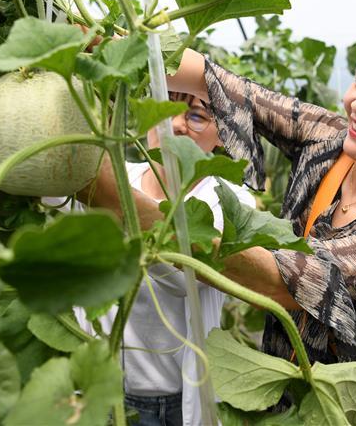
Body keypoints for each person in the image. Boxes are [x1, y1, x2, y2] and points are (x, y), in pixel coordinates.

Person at [83, 18, 356, 420]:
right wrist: (104, 42)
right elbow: (223, 83)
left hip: (348, 414)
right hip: (280, 401)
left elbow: (287, 280)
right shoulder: (332, 139)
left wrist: (108, 192)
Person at [66, 92, 256, 426]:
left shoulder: (232, 200)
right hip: (99, 391)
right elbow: (51, 189)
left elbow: (183, 279)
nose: (179, 124)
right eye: (168, 108)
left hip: (175, 404)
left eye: (198, 116)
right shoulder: (114, 173)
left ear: (222, 135)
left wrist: (107, 195)